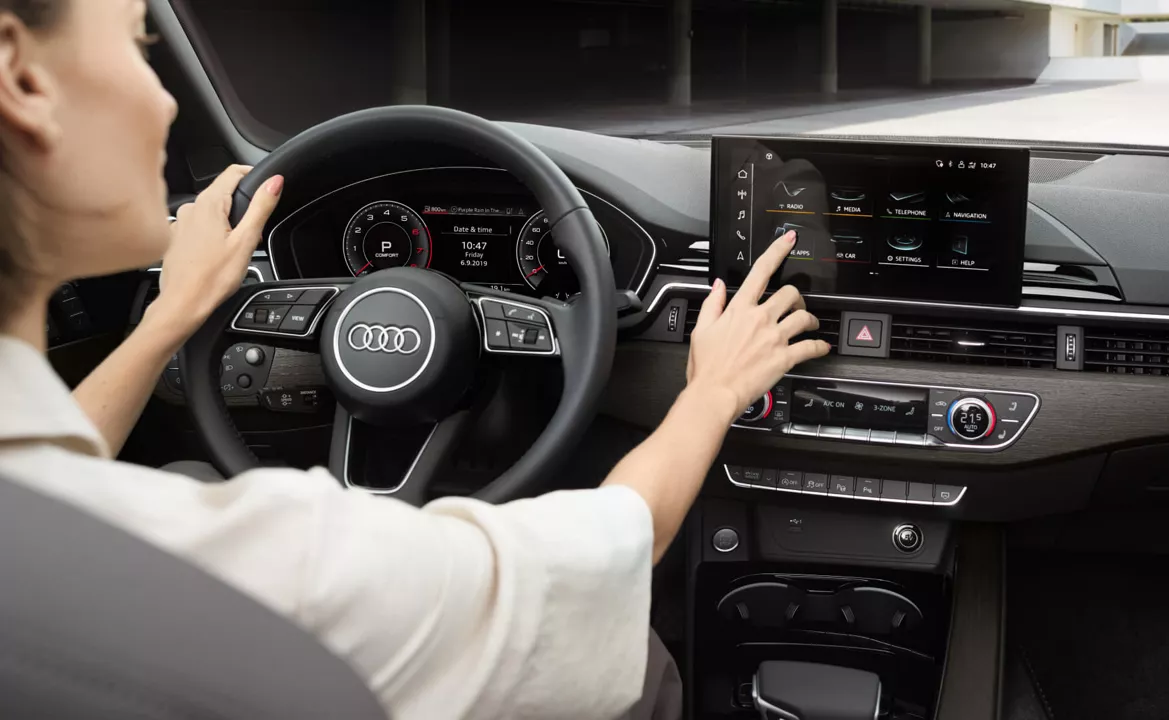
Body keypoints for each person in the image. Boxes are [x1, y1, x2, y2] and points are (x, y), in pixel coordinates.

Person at [0, 0, 831, 717]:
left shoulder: (51, 516)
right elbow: (605, 553)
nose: (162, 102)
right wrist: (714, 388)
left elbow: (55, 467)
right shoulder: (296, 569)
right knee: (637, 665)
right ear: (21, 79)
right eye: (140, 47)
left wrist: (168, 323)